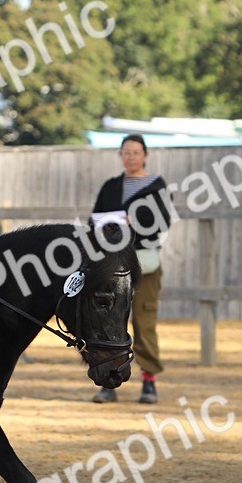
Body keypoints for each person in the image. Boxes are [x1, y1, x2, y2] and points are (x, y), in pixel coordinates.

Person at [90, 133, 172, 405]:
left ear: (145, 155)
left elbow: (162, 221)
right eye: (126, 152)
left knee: (143, 321)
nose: (131, 157)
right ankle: (108, 382)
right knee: (110, 323)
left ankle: (149, 381)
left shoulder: (156, 186)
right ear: (121, 155)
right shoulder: (111, 187)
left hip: (145, 263)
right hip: (113, 264)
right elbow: (95, 219)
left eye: (136, 152)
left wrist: (131, 220)